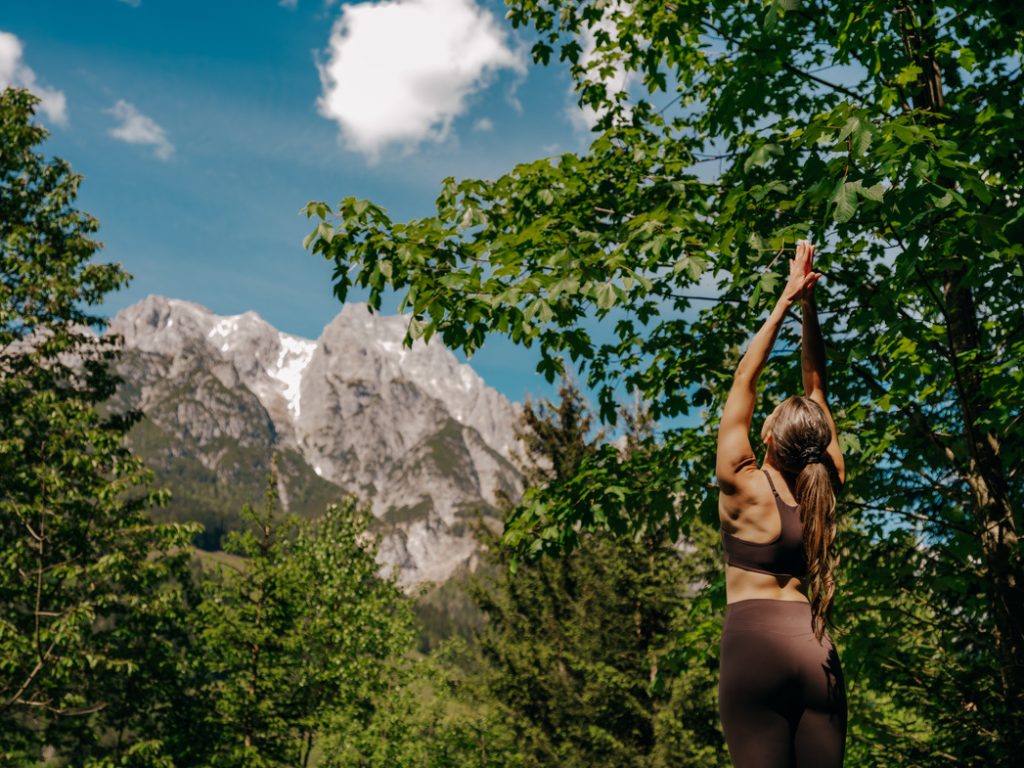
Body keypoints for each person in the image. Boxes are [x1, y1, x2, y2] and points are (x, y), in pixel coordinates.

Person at [716, 240, 848, 767]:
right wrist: (811, 309)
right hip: (814, 648)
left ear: (768, 437)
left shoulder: (742, 484)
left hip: (753, 650)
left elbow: (743, 377)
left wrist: (787, 300)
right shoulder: (825, 481)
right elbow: (816, 387)